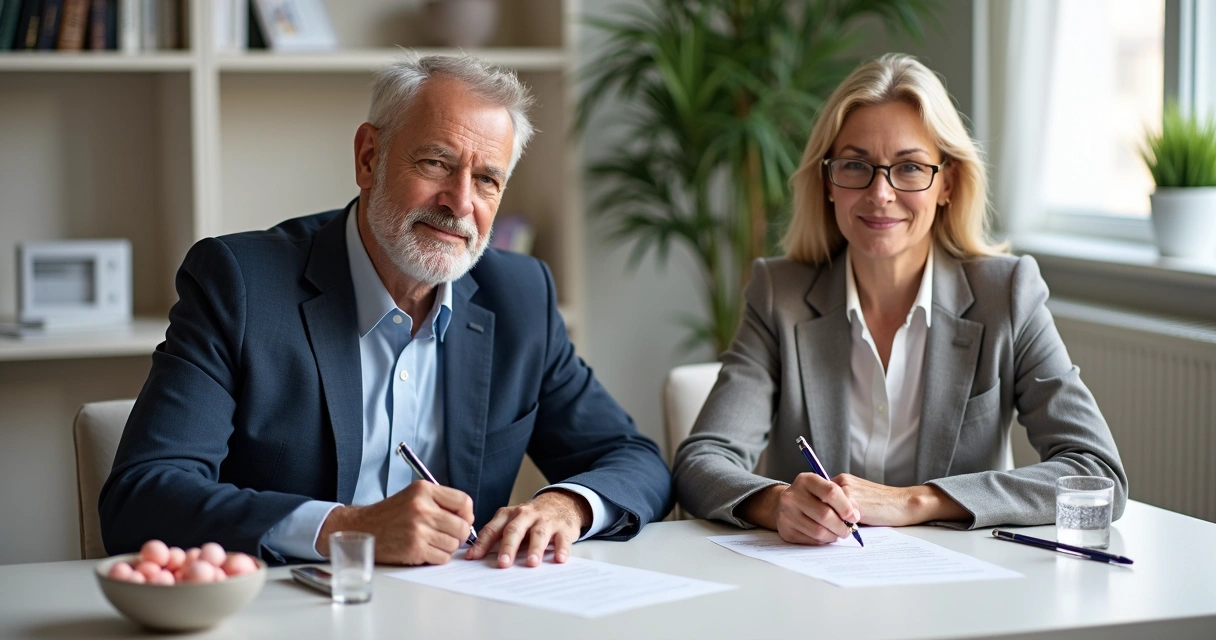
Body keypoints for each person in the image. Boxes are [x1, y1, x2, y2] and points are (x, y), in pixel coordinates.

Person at [100, 54, 672, 567]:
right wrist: (347, 528)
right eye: (436, 164)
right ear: (369, 157)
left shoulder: (521, 295)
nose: (460, 203)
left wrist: (566, 505)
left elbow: (636, 460)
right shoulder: (240, 283)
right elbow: (142, 495)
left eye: (488, 179)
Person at [672, 53, 1126, 544]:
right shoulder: (778, 295)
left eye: (909, 168)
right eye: (855, 165)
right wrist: (779, 503)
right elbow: (701, 463)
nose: (881, 193)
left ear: (947, 183)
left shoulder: (1008, 295)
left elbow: (1097, 473)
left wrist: (914, 501)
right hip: (811, 589)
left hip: (962, 593)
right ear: (828, 181)